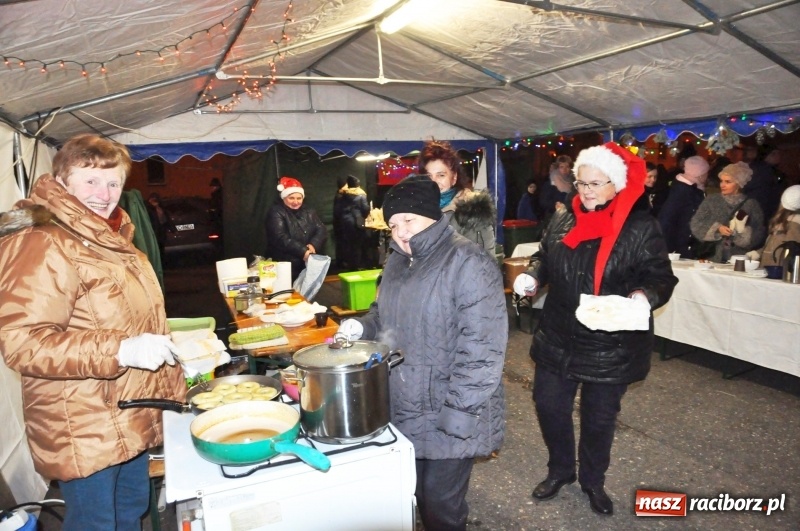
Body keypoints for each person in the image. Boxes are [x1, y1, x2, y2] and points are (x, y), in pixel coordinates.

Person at [0, 134, 186, 531]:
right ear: (62, 180)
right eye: (90, 181)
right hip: (82, 424)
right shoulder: (43, 241)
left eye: (114, 182)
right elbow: (23, 342)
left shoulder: (111, 239)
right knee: (96, 523)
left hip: (127, 411)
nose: (104, 194)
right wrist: (121, 350)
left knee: (131, 509)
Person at [513, 142, 677, 516]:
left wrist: (642, 297)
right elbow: (545, 256)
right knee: (549, 405)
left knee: (598, 417)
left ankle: (592, 480)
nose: (585, 191)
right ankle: (560, 471)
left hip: (610, 342)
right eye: (581, 183)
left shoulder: (639, 226)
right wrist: (532, 275)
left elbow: (660, 277)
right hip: (559, 332)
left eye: (595, 184)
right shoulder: (563, 217)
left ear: (616, 184)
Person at [337, 174, 507, 530]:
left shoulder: (467, 262)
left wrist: (460, 410)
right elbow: (383, 313)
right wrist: (361, 326)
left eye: (408, 221)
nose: (400, 232)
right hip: (405, 401)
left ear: (432, 215)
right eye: (394, 223)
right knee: (414, 492)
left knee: (440, 504)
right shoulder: (398, 259)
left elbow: (483, 346)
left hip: (449, 403)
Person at [418, 139, 496, 255]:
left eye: (441, 175)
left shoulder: (472, 210)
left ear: (454, 178)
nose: (434, 181)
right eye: (428, 175)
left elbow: (485, 261)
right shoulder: (416, 210)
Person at [690, 162, 766, 263]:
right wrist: (717, 229)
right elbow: (696, 223)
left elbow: (759, 232)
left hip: (738, 258)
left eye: (728, 182)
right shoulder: (712, 200)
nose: (722, 185)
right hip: (711, 256)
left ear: (739, 184)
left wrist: (740, 233)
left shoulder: (751, 204)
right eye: (721, 181)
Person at [265, 176, 327, 281]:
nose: (296, 202)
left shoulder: (309, 211)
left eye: (299, 198)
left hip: (306, 263)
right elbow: (279, 237)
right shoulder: (276, 212)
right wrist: (303, 251)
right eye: (291, 198)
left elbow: (321, 229)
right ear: (284, 197)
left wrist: (313, 244)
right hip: (284, 264)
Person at [657, 155, 710, 258]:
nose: (707, 176)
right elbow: (666, 219)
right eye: (706, 173)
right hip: (679, 247)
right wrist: (669, 249)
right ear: (700, 175)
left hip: (684, 244)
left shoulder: (692, 188)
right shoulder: (682, 191)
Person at [747, 185, 800, 266]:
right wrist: (758, 253)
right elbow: (773, 246)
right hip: (772, 269)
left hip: (778, 271)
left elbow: (790, 251)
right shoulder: (782, 223)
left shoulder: (793, 225)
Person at [339, 175, 370, 269]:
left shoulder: (343, 195)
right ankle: (358, 265)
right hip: (357, 222)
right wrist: (363, 217)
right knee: (358, 244)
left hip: (345, 222)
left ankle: (350, 265)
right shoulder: (361, 195)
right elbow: (365, 209)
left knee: (349, 244)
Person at [539, 155, 574, 220]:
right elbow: (543, 202)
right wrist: (555, 205)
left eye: (567, 167)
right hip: (553, 219)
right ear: (557, 168)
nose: (564, 169)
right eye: (561, 167)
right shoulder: (551, 182)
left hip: (569, 219)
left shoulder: (573, 182)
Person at [332, 175, 348, 268]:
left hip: (340, 225)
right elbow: (338, 212)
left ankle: (342, 262)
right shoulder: (340, 196)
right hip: (341, 226)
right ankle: (342, 262)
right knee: (342, 244)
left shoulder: (341, 195)